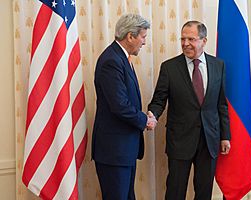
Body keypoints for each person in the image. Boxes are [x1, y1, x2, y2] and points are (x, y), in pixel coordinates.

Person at [148, 21, 231, 200]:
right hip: (180, 140)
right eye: (183, 39)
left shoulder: (218, 65)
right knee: (175, 191)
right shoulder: (169, 67)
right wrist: (152, 114)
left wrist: (225, 136)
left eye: (191, 39)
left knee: (204, 191)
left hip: (209, 139)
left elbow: (221, 104)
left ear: (204, 40)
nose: (185, 43)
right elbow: (159, 99)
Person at [92, 14, 155, 200]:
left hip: (124, 149)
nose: (144, 42)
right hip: (114, 152)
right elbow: (120, 105)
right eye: (143, 37)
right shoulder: (111, 61)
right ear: (130, 36)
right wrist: (145, 120)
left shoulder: (120, 57)